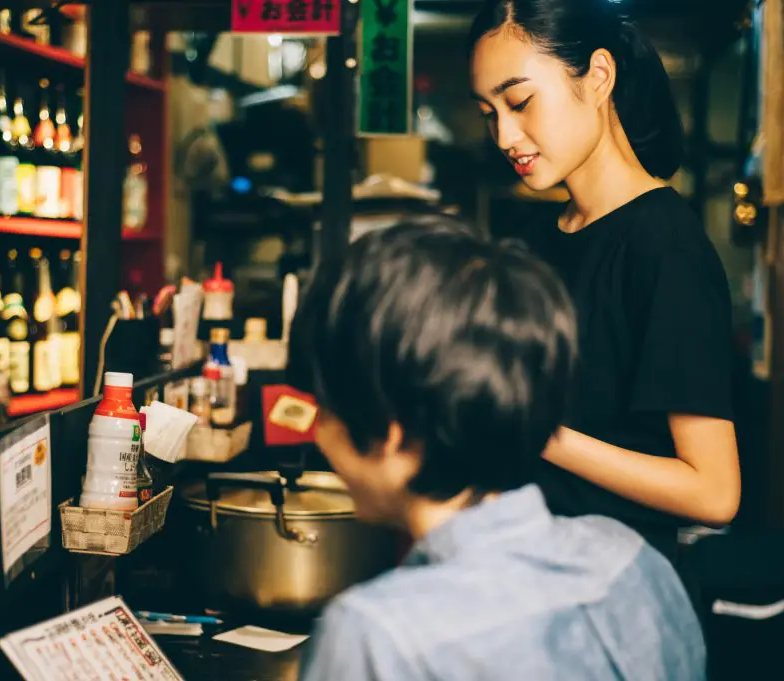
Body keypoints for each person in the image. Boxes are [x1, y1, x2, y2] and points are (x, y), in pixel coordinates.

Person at [289, 222, 706, 681]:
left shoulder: (375, 635)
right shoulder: (633, 561)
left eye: (325, 410)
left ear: (390, 434)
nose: (317, 433)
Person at [468, 0, 740, 560]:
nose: (504, 135)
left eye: (519, 102)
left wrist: (542, 435)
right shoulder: (539, 238)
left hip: (617, 600)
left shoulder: (664, 246)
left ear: (597, 76)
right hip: (529, 573)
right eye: (489, 113)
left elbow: (714, 492)